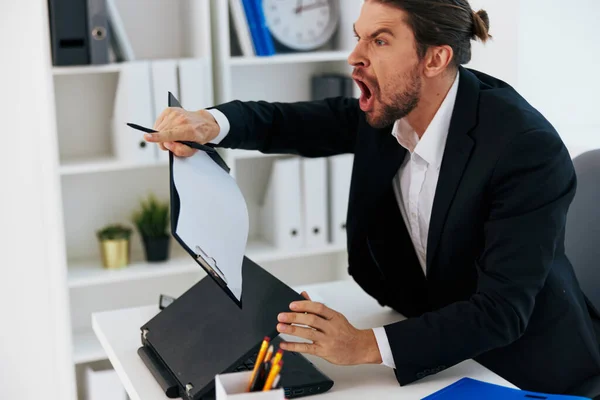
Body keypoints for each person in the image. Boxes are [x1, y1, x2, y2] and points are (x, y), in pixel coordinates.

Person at [144, 0, 600, 395]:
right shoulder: (387, 109)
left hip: (524, 371)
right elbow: (288, 122)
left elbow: (501, 313)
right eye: (360, 37)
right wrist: (210, 123)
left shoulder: (523, 148)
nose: (354, 56)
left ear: (435, 58)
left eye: (379, 41)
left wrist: (362, 345)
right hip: (436, 345)